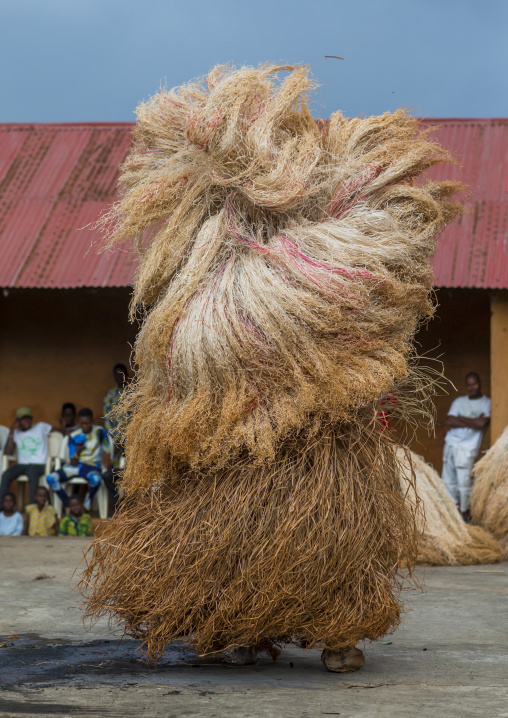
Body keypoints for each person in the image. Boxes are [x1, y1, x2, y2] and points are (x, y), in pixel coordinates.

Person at [442, 372, 491, 521]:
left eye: (474, 384)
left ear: (480, 383)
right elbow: (449, 421)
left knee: (464, 483)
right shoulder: (459, 401)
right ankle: (452, 513)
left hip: (467, 448)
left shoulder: (486, 402)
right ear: (466, 386)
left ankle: (464, 513)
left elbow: (482, 423)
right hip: (451, 443)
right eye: (469, 385)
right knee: (448, 481)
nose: (472, 387)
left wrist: (461, 418)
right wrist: (473, 421)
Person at [47, 408, 111, 511]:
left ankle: (86, 505)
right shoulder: (74, 436)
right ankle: (70, 504)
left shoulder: (100, 432)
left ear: (92, 422)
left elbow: (107, 449)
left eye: (87, 423)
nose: (84, 426)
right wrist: (77, 452)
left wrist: (107, 460)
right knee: (51, 478)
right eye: (81, 424)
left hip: (92, 466)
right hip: (76, 466)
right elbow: (73, 462)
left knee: (96, 479)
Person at [0, 407, 52, 505]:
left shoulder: (41, 426)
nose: (27, 421)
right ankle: (1, 507)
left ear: (32, 419)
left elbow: (60, 431)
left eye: (28, 418)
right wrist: (11, 431)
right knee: (7, 474)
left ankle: (32, 508)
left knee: (32, 471)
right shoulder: (16, 433)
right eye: (23, 419)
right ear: (18, 421)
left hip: (40, 464)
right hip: (23, 465)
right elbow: (7, 452)